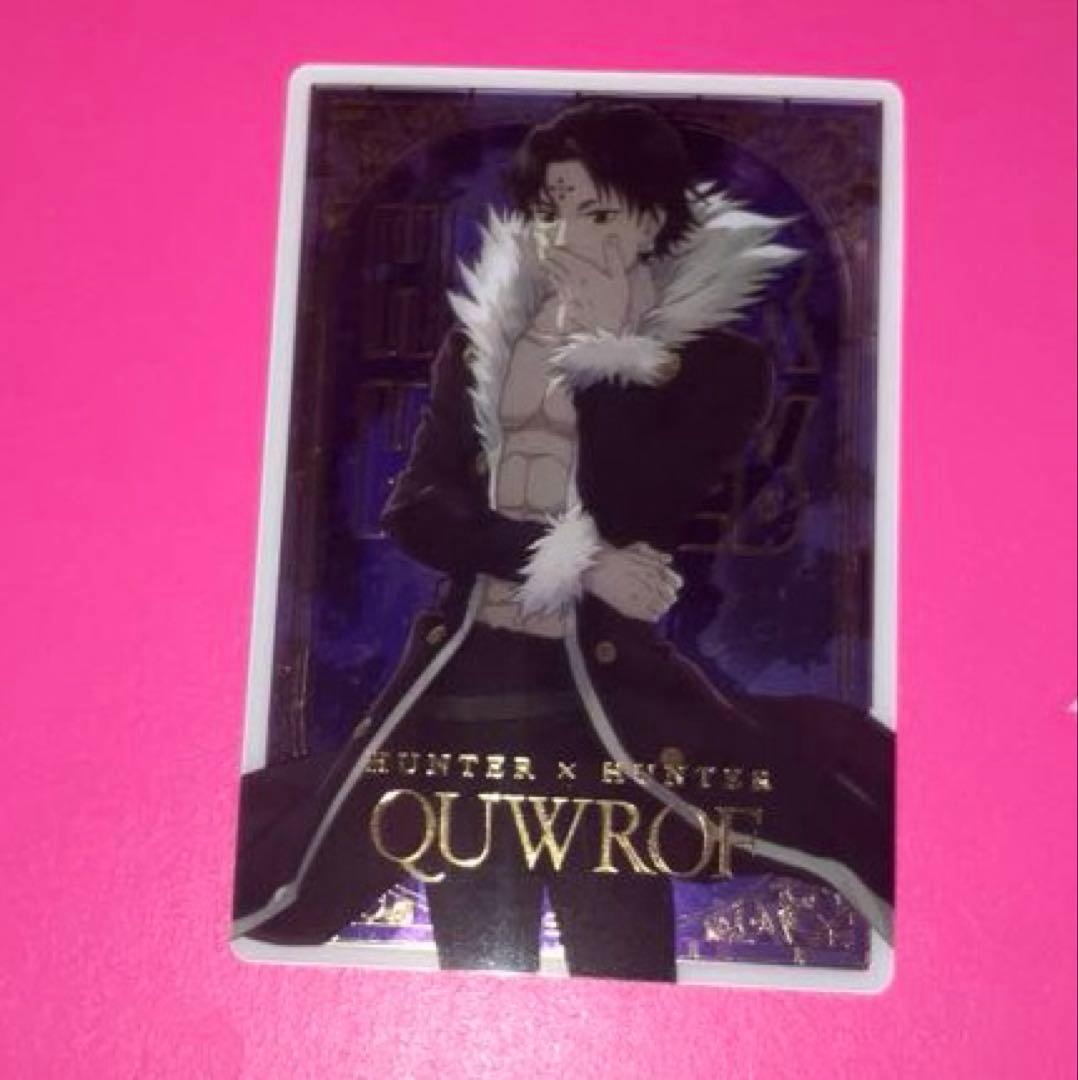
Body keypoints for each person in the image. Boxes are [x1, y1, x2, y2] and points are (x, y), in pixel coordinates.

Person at [233, 101, 894, 981]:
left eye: (598, 212)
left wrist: (608, 356)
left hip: (604, 704)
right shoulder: (480, 348)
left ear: (652, 221)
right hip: (467, 685)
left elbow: (646, 504)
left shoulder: (719, 367)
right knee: (476, 972)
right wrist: (576, 562)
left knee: (623, 963)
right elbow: (417, 511)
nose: (566, 234)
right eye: (550, 209)